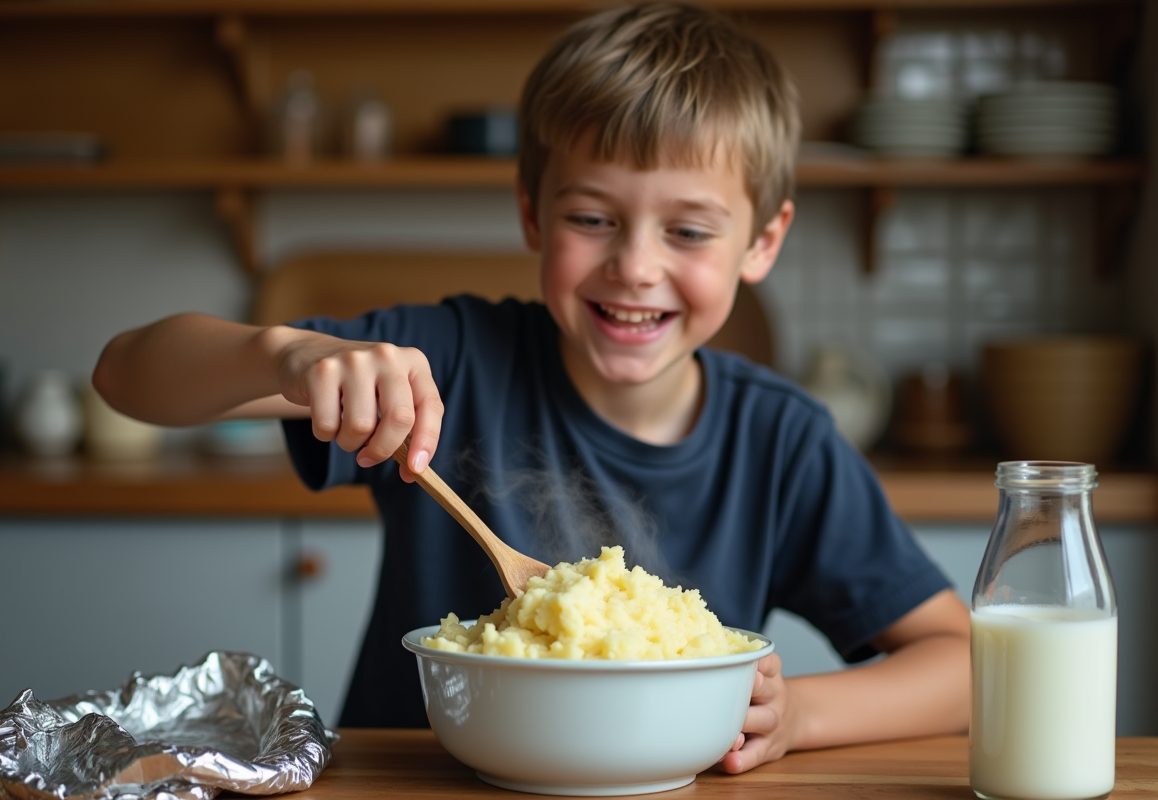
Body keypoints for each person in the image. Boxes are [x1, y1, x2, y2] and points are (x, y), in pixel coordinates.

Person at [94, 1, 970, 772]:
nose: (635, 267)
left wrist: (799, 715)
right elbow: (126, 375)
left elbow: (964, 663)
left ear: (762, 242)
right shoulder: (450, 360)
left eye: (689, 231)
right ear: (530, 210)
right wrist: (287, 355)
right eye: (592, 219)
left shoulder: (782, 442)